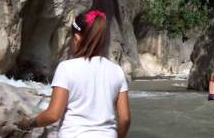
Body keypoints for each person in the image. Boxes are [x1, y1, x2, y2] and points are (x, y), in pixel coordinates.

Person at [18, 10, 131, 138]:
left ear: (77, 39)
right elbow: (125, 119)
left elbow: (53, 115)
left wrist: (29, 123)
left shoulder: (66, 68)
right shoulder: (116, 71)